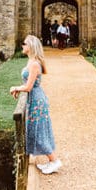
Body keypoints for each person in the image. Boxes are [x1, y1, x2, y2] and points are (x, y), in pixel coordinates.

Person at [9, 35, 62, 174]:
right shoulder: (31, 61)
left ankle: (54, 161)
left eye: (24, 43)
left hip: (37, 100)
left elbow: (28, 87)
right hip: (35, 98)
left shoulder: (34, 64)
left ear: (31, 46)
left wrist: (16, 88)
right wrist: (20, 88)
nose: (22, 46)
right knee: (36, 128)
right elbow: (28, 85)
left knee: (39, 130)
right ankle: (51, 161)